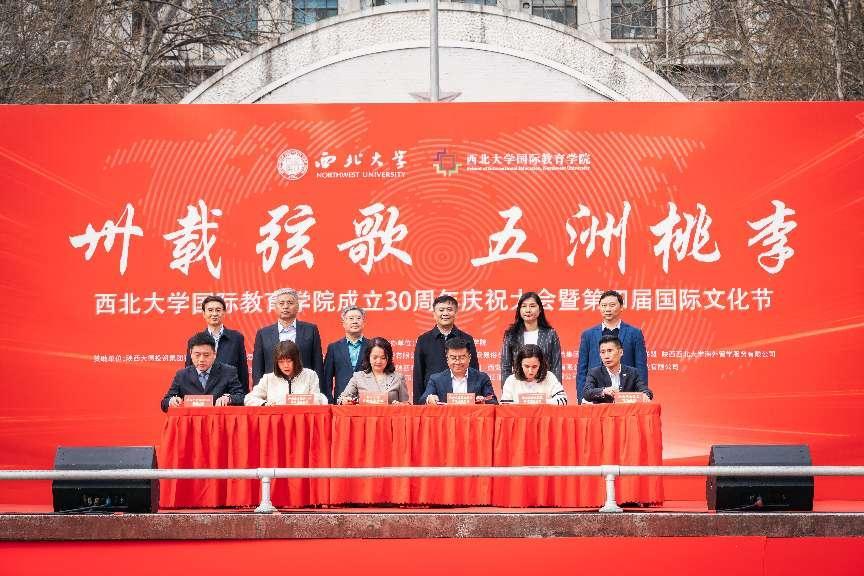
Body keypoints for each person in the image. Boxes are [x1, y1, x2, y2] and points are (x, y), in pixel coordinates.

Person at [576, 290, 648, 403]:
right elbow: (582, 369)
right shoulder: (588, 335)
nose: (607, 309)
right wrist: (582, 398)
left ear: (621, 307)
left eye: (612, 305)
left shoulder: (634, 333)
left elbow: (641, 368)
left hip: (626, 398)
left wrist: (642, 396)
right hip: (595, 398)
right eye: (604, 305)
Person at [412, 295, 479, 403]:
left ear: (455, 312)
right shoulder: (423, 340)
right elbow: (418, 374)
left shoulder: (467, 339)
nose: (445, 313)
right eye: (441, 310)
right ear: (434, 314)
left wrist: (475, 398)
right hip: (433, 400)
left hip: (461, 399)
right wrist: (418, 404)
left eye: (449, 309)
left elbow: (474, 371)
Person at [252, 287, 324, 387]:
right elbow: (257, 369)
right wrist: (259, 392)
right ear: (275, 307)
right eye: (281, 303)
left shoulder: (311, 330)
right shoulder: (263, 334)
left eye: (290, 303)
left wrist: (318, 391)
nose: (285, 306)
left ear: (297, 306)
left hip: (304, 389)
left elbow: (318, 365)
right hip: (273, 390)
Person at [161, 333, 245, 412]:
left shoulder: (228, 372)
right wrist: (171, 401)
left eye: (206, 355)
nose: (201, 359)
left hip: (218, 419)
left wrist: (229, 399)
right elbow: (164, 403)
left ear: (214, 354)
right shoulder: (182, 375)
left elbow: (241, 397)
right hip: (192, 420)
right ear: (191, 354)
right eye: (197, 355)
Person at [185, 295, 249, 391]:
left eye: (218, 310)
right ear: (204, 313)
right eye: (210, 310)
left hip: (229, 393)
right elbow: (189, 371)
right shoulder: (195, 341)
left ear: (224, 313)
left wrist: (243, 395)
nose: (214, 314)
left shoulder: (236, 338)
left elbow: (242, 370)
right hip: (203, 394)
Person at [500, 291, 562, 386]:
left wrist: (556, 390)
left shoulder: (550, 334)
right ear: (519, 310)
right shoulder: (511, 334)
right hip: (519, 387)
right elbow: (505, 367)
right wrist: (507, 390)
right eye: (524, 306)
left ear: (540, 309)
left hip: (544, 386)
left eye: (532, 306)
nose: (528, 310)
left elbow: (556, 367)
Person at [244, 340, 326, 406]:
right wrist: (265, 404)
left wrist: (291, 400)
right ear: (276, 363)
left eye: (289, 361)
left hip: (303, 419)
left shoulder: (310, 375)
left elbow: (319, 400)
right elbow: (248, 399)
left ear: (296, 360)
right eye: (281, 362)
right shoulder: (268, 379)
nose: (286, 365)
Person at [420, 337, 497, 405]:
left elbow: (493, 401)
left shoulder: (482, 378)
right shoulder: (436, 379)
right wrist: (429, 399)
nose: (457, 362)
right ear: (447, 358)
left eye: (462, 357)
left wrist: (484, 401)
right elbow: (423, 400)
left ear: (469, 358)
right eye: (453, 358)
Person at [337, 337, 408, 405]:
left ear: (388, 358)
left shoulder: (398, 378)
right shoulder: (358, 377)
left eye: (383, 358)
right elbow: (341, 399)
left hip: (390, 414)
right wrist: (345, 401)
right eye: (375, 357)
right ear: (368, 357)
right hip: (365, 414)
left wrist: (401, 405)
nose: (378, 361)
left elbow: (406, 404)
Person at [583, 335, 653, 404]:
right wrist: (603, 391)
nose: (606, 356)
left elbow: (645, 390)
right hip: (604, 411)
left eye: (610, 351)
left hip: (626, 411)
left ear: (621, 352)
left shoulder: (633, 373)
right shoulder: (595, 373)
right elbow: (586, 393)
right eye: (603, 352)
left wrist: (645, 395)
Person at [322, 305, 369, 404]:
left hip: (367, 401)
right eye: (351, 318)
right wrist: (330, 402)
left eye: (358, 318)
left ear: (364, 322)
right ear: (343, 323)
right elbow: (327, 379)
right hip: (341, 402)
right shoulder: (334, 348)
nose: (355, 321)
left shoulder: (372, 346)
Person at [501, 344, 568, 405]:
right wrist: (524, 404)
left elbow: (563, 400)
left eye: (534, 366)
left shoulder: (549, 377)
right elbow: (504, 405)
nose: (530, 371)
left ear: (540, 365)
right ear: (520, 364)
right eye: (526, 366)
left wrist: (541, 402)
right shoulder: (511, 380)